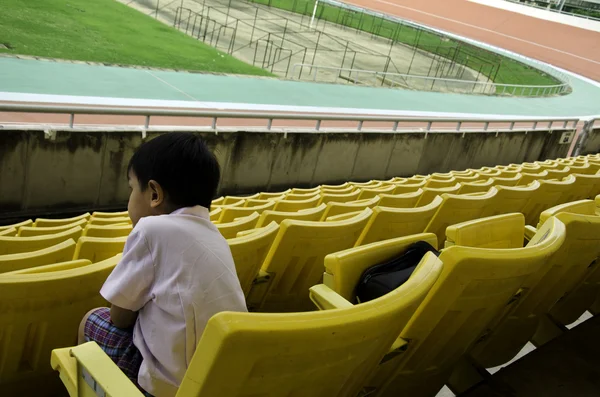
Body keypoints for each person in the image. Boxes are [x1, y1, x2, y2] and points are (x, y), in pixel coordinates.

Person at [78, 132, 247, 397]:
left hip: (169, 386)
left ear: (154, 193)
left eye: (132, 188)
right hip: (218, 379)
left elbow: (119, 317)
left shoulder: (151, 229)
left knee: (91, 320)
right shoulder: (217, 237)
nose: (129, 200)